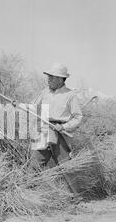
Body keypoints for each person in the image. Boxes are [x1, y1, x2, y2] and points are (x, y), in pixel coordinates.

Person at [30, 63, 83, 195]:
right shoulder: (44, 92)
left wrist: (64, 126)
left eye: (52, 77)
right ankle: (33, 195)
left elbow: (78, 117)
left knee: (65, 166)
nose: (48, 79)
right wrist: (18, 105)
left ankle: (76, 197)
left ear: (61, 79)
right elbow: (32, 106)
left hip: (60, 132)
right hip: (44, 129)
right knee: (36, 162)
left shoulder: (70, 95)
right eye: (48, 77)